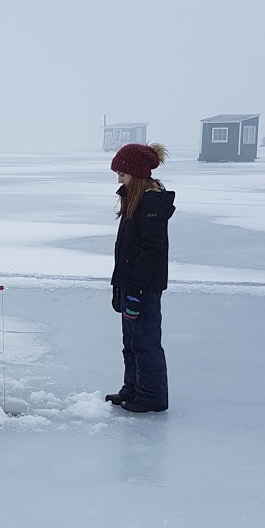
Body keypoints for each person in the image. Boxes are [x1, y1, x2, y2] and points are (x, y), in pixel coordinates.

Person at [105, 142, 175, 413]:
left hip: (144, 289)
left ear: (136, 173)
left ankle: (152, 395)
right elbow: (126, 251)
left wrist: (136, 290)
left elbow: (150, 252)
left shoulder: (151, 204)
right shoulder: (133, 200)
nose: (118, 177)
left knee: (145, 342)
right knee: (130, 343)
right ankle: (133, 387)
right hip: (129, 285)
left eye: (122, 173)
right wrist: (119, 287)